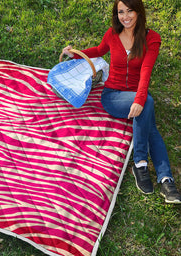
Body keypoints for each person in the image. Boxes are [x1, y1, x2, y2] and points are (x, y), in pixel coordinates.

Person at [62, 0, 181, 204]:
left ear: (139, 12)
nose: (125, 16)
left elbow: (146, 71)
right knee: (148, 107)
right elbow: (99, 50)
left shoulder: (152, 39)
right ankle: (147, 167)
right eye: (121, 12)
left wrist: (140, 99)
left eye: (130, 11)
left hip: (136, 93)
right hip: (112, 95)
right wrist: (75, 55)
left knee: (148, 116)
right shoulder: (112, 34)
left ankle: (162, 176)